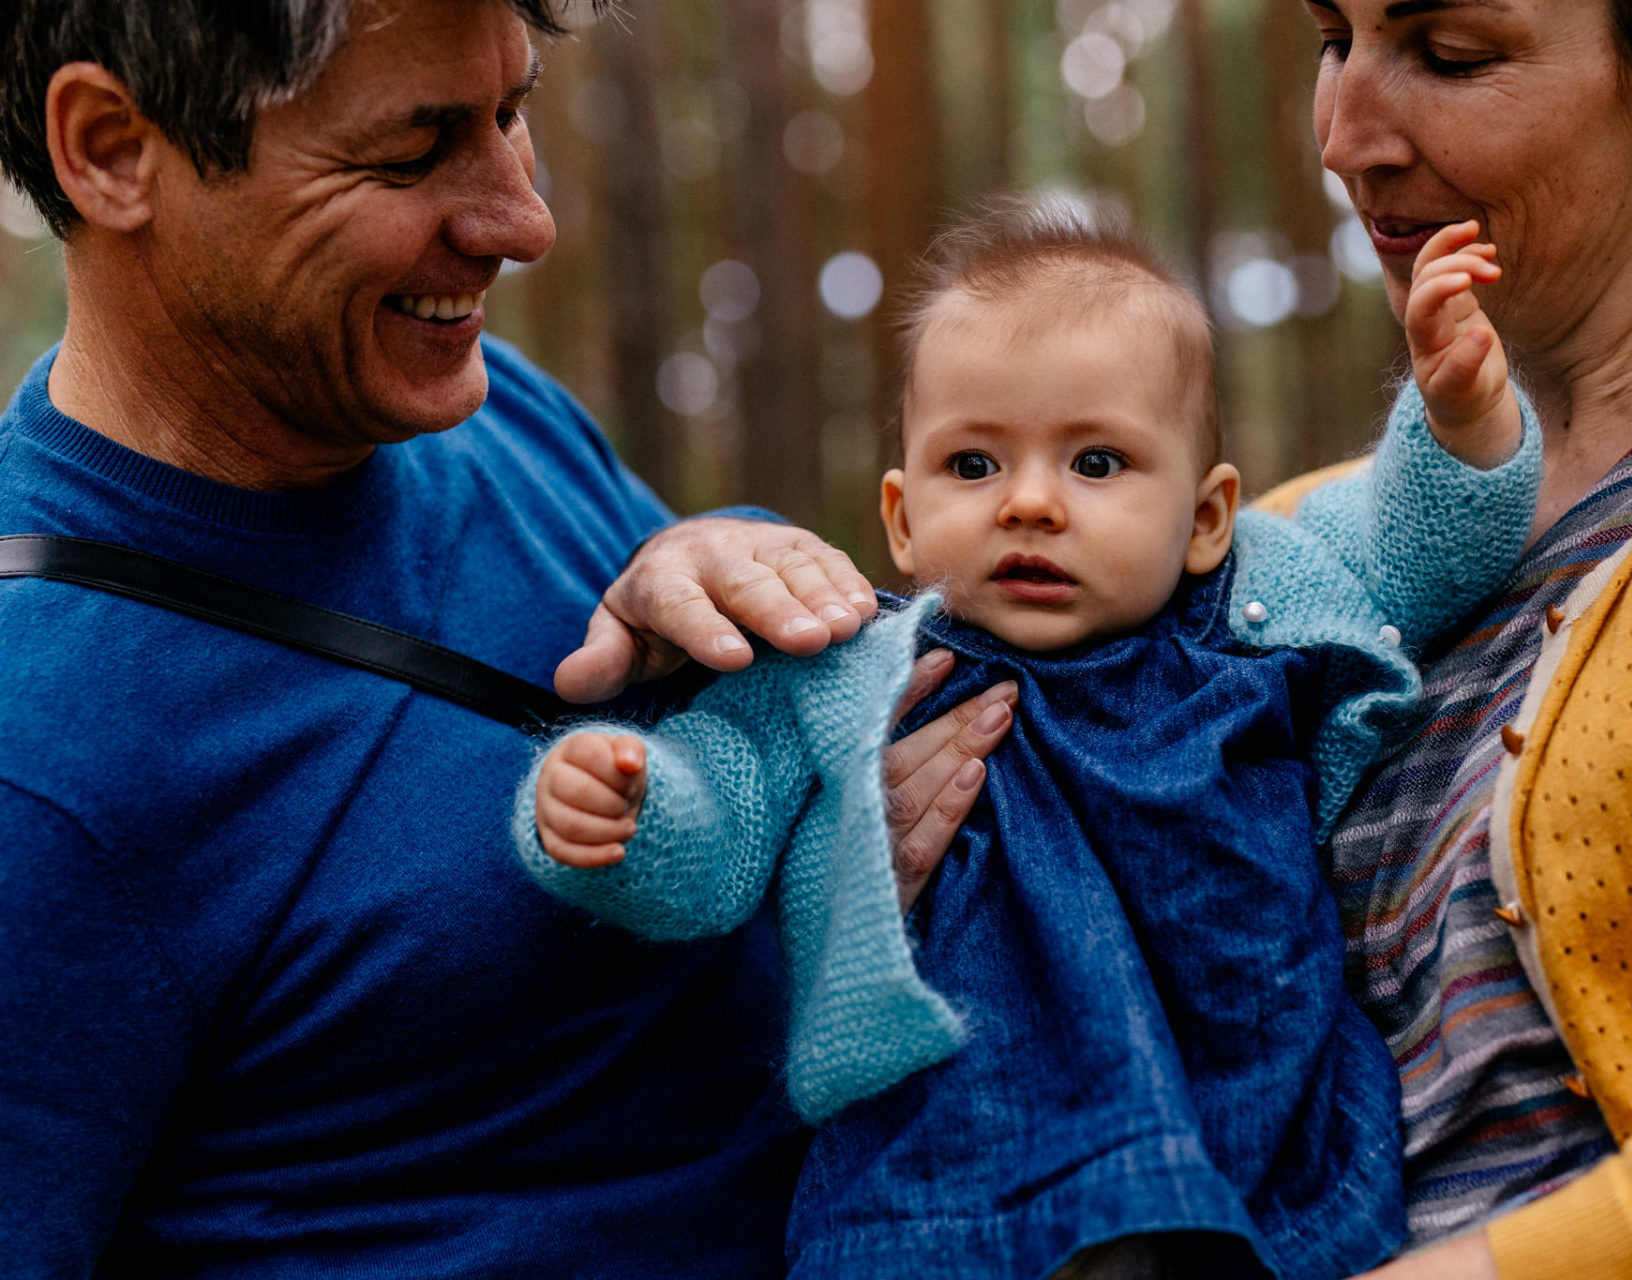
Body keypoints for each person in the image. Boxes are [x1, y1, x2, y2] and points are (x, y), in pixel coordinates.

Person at [563, 1, 1632, 1277]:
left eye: (1447, 51)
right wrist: (832, 849)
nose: (1343, 134)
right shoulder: (1257, 575)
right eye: (1336, 37)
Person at [0, 1, 994, 1274]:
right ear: (111, 150)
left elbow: (746, 806)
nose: (523, 222)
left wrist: (718, 560)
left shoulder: (482, 406)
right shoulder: (40, 760)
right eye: (413, 152)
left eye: (512, 113)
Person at [521, 202, 1538, 1279]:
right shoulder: (856, 664)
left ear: (1206, 518)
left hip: (1252, 1145)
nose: (1033, 503)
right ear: (902, 519)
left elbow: (1417, 546)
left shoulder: (1259, 605)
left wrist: (1460, 416)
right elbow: (726, 804)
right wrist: (632, 809)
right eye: (974, 465)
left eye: (1097, 463)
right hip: (948, 1180)